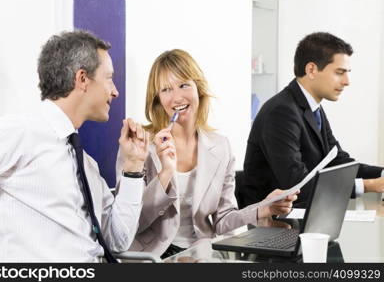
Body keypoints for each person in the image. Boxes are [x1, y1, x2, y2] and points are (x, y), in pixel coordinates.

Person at [0, 30, 149, 262]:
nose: (115, 91)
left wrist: (134, 165)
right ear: (82, 79)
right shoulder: (18, 133)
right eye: (109, 78)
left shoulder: (85, 164)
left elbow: (117, 239)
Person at [116, 49, 298, 258]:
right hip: (152, 257)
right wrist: (165, 173)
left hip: (202, 254)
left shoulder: (220, 147)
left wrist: (263, 209)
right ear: (157, 98)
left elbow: (223, 221)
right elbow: (130, 225)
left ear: (198, 89)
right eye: (166, 89)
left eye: (184, 85)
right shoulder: (139, 146)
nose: (176, 97)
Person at [238, 32, 384, 209]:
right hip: (272, 223)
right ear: (311, 70)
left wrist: (381, 174)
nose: (347, 81)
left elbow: (337, 161)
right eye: (340, 73)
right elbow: (296, 184)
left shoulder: (312, 107)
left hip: (305, 214)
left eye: (348, 73)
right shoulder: (281, 111)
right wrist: (369, 186)